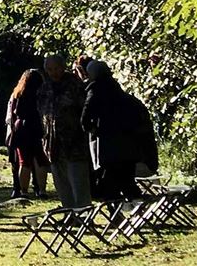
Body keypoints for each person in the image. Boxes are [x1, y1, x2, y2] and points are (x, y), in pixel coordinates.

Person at [81, 60, 153, 200]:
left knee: (109, 182)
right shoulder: (117, 89)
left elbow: (85, 117)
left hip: (108, 144)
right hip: (129, 143)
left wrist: (92, 130)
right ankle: (139, 210)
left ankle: (116, 213)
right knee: (127, 179)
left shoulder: (95, 90)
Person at [38, 55, 91, 208]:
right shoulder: (44, 88)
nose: (53, 72)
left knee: (78, 181)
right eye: (49, 69)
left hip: (74, 142)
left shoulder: (75, 85)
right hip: (53, 144)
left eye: (56, 68)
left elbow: (84, 111)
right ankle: (68, 213)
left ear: (63, 67)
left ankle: (83, 214)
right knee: (61, 183)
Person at [8, 70, 48, 199]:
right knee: (40, 160)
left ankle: (24, 191)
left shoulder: (18, 93)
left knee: (24, 161)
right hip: (37, 126)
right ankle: (42, 190)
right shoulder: (43, 93)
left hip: (21, 127)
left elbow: (15, 111)